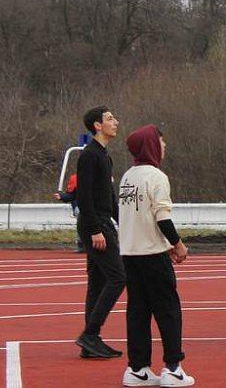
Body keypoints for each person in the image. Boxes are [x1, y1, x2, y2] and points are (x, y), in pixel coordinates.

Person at [118, 125, 194, 387]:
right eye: (160, 141)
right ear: (151, 145)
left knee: (137, 311)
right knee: (168, 310)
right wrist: (178, 244)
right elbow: (162, 216)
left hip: (129, 253)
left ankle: (137, 368)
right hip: (152, 254)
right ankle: (173, 367)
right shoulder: (156, 176)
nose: (164, 146)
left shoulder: (128, 176)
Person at [75, 106, 126, 359]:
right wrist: (96, 229)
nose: (115, 122)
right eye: (110, 119)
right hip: (95, 224)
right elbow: (83, 196)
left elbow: (110, 198)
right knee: (119, 277)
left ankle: (89, 343)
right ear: (97, 125)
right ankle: (91, 333)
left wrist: (124, 223)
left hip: (103, 222)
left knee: (97, 282)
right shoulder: (89, 155)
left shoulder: (104, 155)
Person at [54, 173, 84, 253]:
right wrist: (62, 196)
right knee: (82, 224)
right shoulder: (76, 178)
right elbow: (71, 195)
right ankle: (82, 245)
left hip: (93, 207)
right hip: (80, 207)